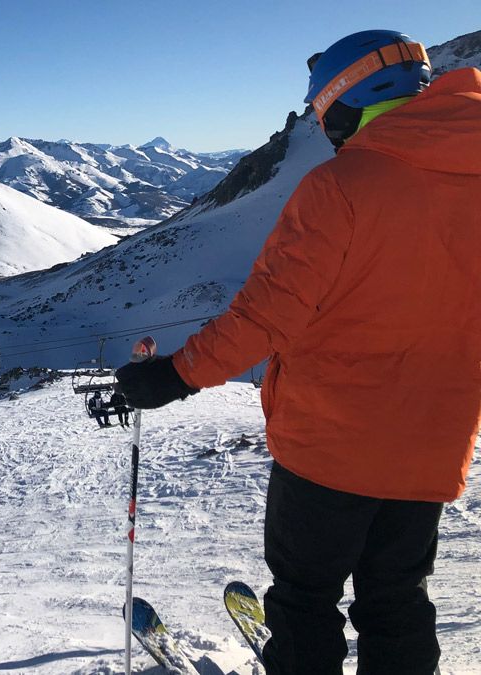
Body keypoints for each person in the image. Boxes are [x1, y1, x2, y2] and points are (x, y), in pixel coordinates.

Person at [115, 31, 479, 675]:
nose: (325, 129)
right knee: (397, 599)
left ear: (349, 100)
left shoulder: (344, 184)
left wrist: (174, 375)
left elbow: (266, 314)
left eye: (324, 114)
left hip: (330, 443)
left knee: (306, 597)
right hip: (432, 444)